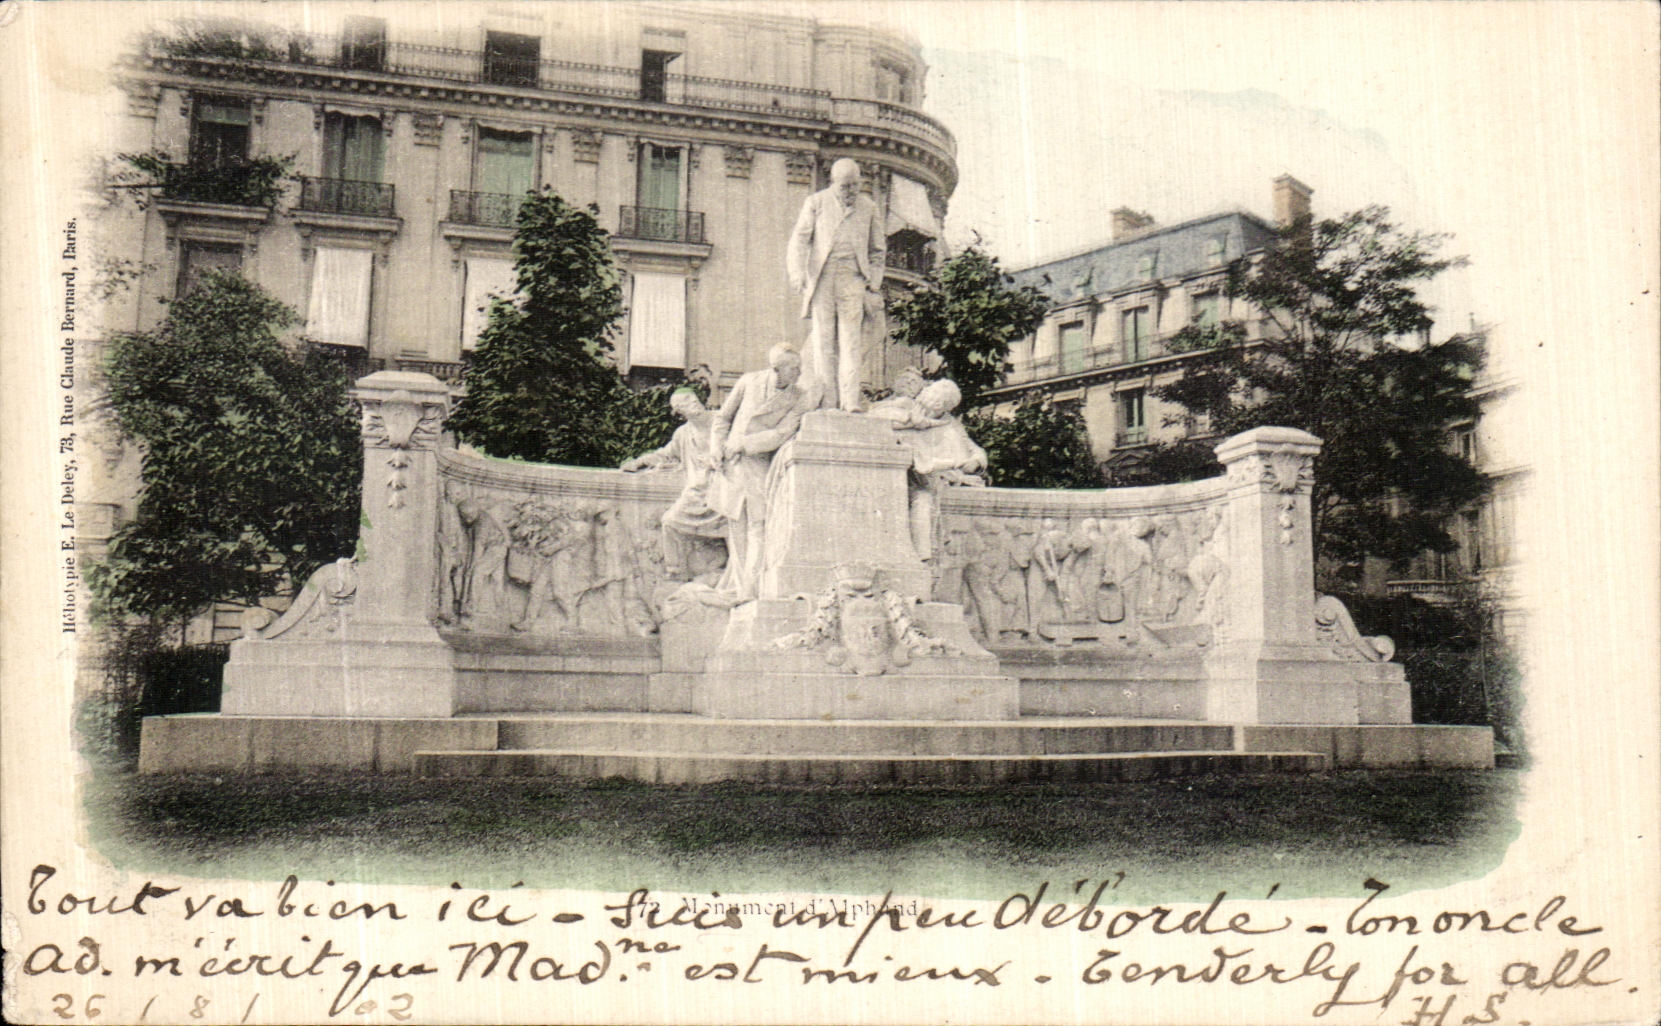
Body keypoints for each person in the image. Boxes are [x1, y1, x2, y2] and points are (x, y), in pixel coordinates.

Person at [707, 344, 813, 600]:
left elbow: (783, 433)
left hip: (759, 464)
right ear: (776, 369)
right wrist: (715, 449)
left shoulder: (799, 397)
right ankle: (740, 585)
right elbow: (722, 418)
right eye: (793, 368)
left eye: (799, 368)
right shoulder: (748, 381)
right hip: (731, 466)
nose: (798, 373)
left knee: (759, 526)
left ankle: (750, 589)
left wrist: (744, 443)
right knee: (737, 526)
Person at [787, 158, 886, 412]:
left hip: (852, 279)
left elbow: (877, 250)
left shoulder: (869, 207)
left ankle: (850, 401)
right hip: (822, 277)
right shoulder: (816, 202)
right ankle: (828, 401)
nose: (851, 191)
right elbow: (799, 240)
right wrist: (797, 272)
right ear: (833, 183)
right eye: (845, 186)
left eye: (855, 185)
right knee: (824, 341)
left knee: (850, 341)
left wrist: (873, 283)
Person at [620, 389, 727, 582]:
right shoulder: (683, 434)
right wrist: (639, 462)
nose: (693, 401)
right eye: (685, 401)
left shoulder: (721, 419)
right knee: (670, 521)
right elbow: (665, 453)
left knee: (732, 525)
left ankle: (731, 569)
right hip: (697, 492)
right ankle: (675, 570)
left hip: (725, 487)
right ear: (679, 411)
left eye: (692, 397)